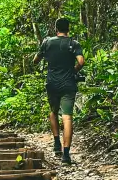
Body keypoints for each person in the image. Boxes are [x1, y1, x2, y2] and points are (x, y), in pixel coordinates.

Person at [34, 17, 84, 164]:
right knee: (67, 116)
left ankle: (57, 143)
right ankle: (66, 155)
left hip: (52, 83)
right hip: (68, 83)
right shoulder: (73, 43)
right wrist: (74, 71)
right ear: (68, 29)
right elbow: (81, 61)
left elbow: (35, 61)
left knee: (53, 112)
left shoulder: (47, 42)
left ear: (56, 29)